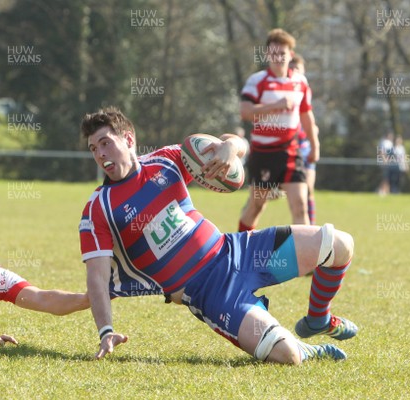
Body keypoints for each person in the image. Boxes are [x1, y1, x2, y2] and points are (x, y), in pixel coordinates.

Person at [79, 107, 358, 365]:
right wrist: (106, 330)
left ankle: (318, 318)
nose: (100, 154)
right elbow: (97, 277)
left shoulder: (165, 161)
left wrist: (229, 147)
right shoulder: (98, 209)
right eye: (93, 148)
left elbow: (239, 143)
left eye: (105, 142)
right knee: (287, 355)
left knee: (340, 245)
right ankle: (306, 349)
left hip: (240, 252)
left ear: (128, 139)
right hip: (210, 293)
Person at [238, 29, 319, 232]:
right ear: (267, 55)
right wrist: (275, 106)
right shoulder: (257, 81)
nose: (278, 58)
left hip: (291, 152)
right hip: (263, 154)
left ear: (290, 55)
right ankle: (240, 254)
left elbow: (306, 115)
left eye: (282, 54)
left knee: (300, 207)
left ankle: (304, 261)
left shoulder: (300, 82)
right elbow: (245, 112)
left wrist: (315, 144)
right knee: (257, 206)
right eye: (273, 54)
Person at [289, 54, 317, 224]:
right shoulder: (283, 91)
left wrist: (313, 134)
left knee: (308, 189)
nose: (294, 72)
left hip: (304, 146)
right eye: (291, 68)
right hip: (285, 148)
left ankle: (311, 229)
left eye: (297, 68)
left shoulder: (304, 90)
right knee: (262, 195)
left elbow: (308, 117)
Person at [377, 132, 394, 196]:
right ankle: (382, 190)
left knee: (388, 178)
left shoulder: (390, 143)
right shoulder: (384, 142)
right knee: (385, 178)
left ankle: (387, 191)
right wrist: (385, 161)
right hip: (385, 163)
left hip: (389, 163)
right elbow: (381, 152)